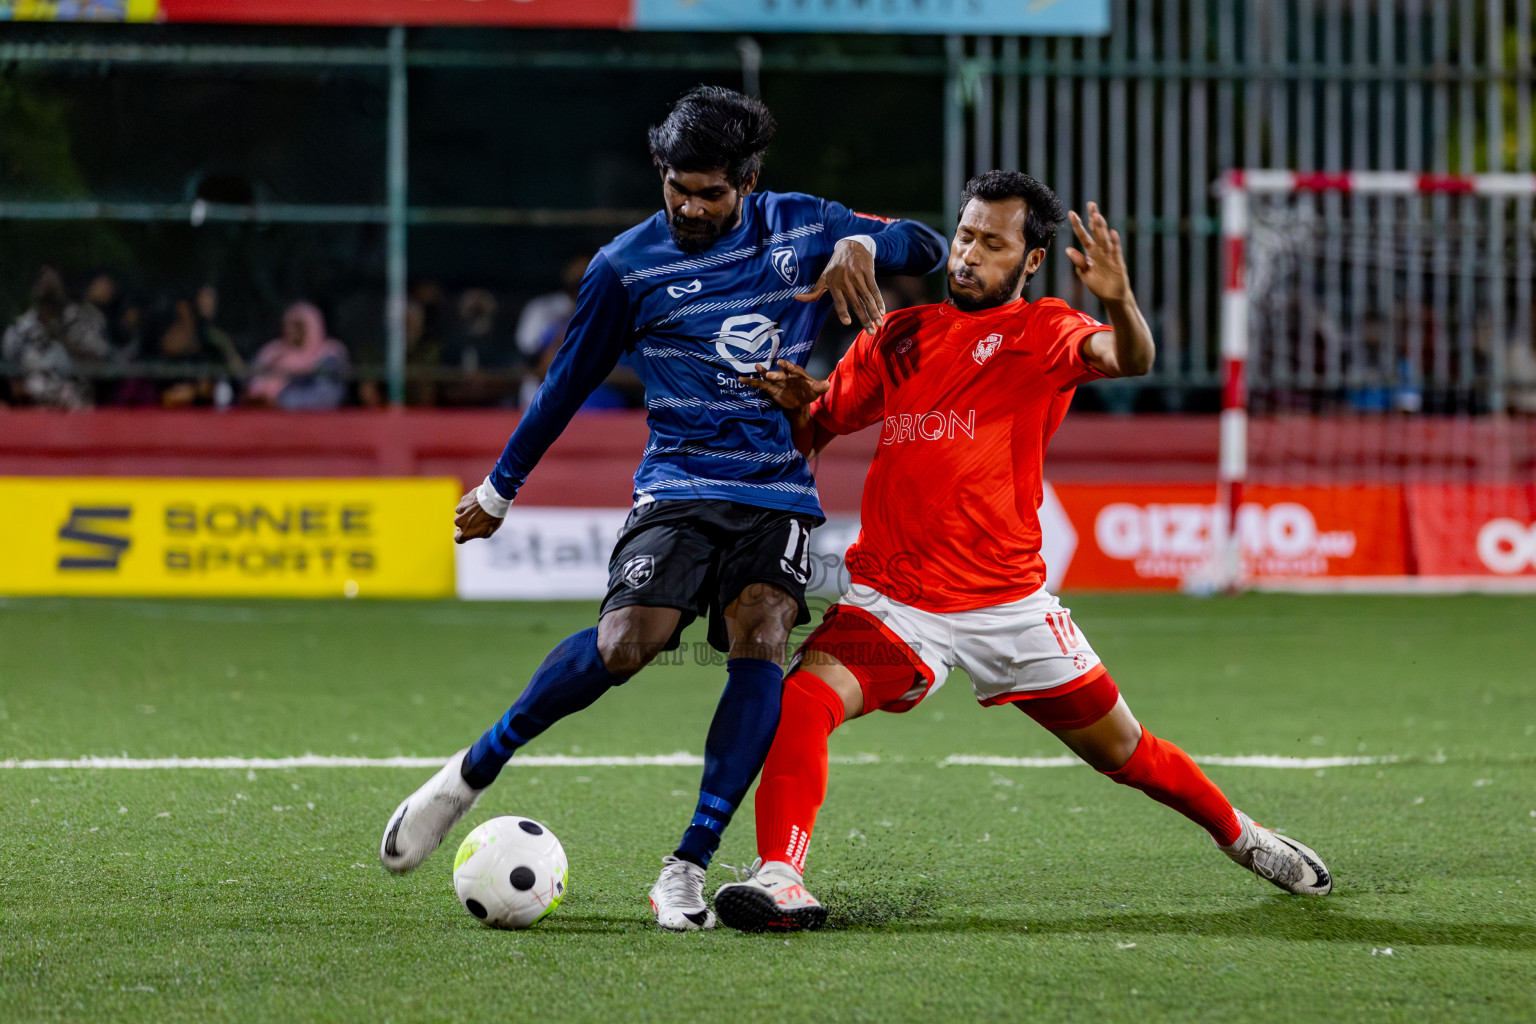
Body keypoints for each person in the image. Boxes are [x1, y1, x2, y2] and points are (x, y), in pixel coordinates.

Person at [378, 85, 948, 930]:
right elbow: (564, 385)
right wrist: (500, 489)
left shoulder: (803, 224)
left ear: (747, 183)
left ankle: (687, 865)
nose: (688, 204)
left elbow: (932, 247)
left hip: (778, 489)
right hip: (678, 486)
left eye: (709, 192)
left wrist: (862, 239)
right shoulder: (626, 266)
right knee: (625, 645)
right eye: (676, 186)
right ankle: (470, 771)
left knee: (762, 634)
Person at [710, 171, 1334, 933]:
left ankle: (1243, 837)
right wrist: (795, 401)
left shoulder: (1045, 330)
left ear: (1031, 261)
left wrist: (1119, 298)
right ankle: (782, 878)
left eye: (992, 243)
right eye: (966, 235)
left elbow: (1129, 359)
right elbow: (824, 420)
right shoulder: (896, 335)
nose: (968, 255)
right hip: (897, 604)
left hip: (1009, 606)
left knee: (1126, 754)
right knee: (802, 701)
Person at [2, 266, 112, 410]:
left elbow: (103, 360)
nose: (49, 290)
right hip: (36, 412)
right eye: (45, 285)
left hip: (79, 410)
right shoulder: (19, 330)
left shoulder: (82, 322)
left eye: (54, 285)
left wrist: (64, 341)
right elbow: (13, 380)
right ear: (34, 290)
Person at [245, 301, 350, 410]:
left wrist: (278, 401)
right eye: (288, 325)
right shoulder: (273, 351)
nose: (291, 331)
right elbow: (249, 382)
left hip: (308, 423)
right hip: (261, 419)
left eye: (298, 326)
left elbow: (326, 397)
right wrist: (254, 396)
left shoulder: (329, 354)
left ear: (312, 326)